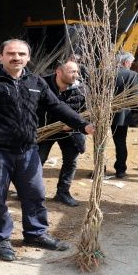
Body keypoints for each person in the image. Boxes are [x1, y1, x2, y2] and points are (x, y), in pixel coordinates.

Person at [0, 39, 94, 261]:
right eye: (11, 53)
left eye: (22, 53)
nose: (16, 57)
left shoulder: (36, 81)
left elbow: (57, 106)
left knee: (35, 194)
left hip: (27, 150)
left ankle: (36, 233)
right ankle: (1, 238)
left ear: (28, 58)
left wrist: (82, 124)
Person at [37, 60, 87, 207]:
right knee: (37, 160)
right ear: (58, 72)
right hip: (45, 129)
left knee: (70, 161)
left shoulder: (83, 89)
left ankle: (63, 193)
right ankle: (33, 192)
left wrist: (73, 123)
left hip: (70, 131)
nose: (76, 75)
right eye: (72, 72)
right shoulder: (42, 84)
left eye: (77, 72)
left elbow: (88, 112)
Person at [111, 52, 138, 179]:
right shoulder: (133, 75)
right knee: (120, 142)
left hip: (102, 112)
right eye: (130, 63)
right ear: (125, 62)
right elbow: (135, 97)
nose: (131, 65)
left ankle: (99, 168)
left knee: (99, 141)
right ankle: (120, 169)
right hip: (121, 113)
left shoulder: (103, 72)